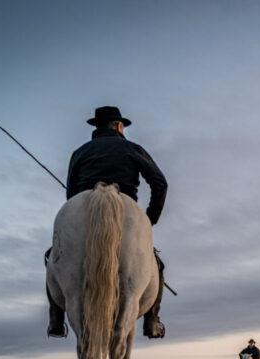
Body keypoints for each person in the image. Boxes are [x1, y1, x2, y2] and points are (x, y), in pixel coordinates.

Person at [47, 105, 170, 339]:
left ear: (97, 127)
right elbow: (160, 184)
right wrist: (147, 221)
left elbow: (71, 193)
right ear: (119, 126)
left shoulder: (80, 152)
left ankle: (56, 319)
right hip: (126, 216)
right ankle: (152, 322)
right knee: (158, 266)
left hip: (83, 212)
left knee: (52, 258)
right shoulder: (133, 148)